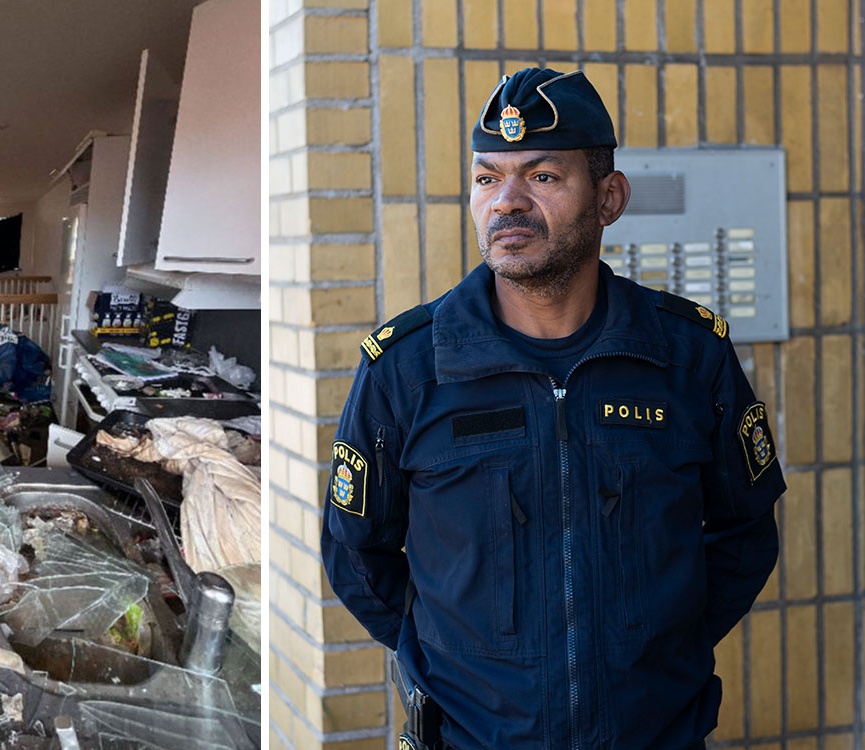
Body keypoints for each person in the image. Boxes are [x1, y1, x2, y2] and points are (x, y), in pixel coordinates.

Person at [320, 67, 785, 750]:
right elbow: (357, 550)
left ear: (609, 197)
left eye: (542, 176)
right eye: (487, 179)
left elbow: (745, 531)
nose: (507, 202)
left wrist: (655, 656)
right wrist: (459, 666)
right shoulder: (408, 368)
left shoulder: (687, 356)